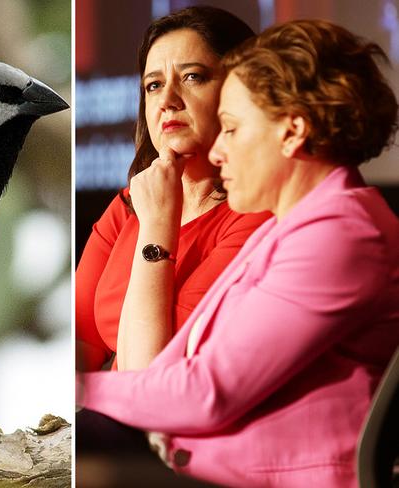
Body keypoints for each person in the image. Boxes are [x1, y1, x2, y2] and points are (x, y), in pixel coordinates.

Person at [78, 18, 399, 487]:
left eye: (231, 129)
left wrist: (81, 392)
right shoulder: (301, 227)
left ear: (291, 132)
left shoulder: (341, 235)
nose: (219, 151)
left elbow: (206, 391)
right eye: (152, 85)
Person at [76, 6, 270, 376]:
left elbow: (151, 376)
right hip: (105, 418)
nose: (167, 100)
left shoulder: (257, 214)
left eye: (193, 77)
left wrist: (157, 226)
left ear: (242, 91)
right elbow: (80, 339)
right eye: (153, 85)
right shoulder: (130, 203)